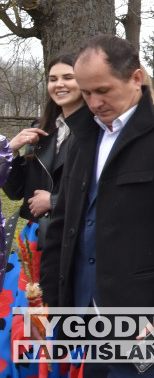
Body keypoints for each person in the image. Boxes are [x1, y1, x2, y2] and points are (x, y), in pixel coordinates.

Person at [40, 35, 154, 378]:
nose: (93, 102)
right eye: (86, 92)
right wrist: (52, 299)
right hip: (85, 313)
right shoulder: (82, 139)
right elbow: (63, 224)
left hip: (144, 316)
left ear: (136, 78)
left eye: (103, 90)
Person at [1, 54, 79, 373]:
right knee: (22, 326)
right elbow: (15, 192)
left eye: (68, 77)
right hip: (29, 241)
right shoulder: (41, 129)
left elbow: (105, 194)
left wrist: (55, 200)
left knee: (59, 325)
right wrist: (15, 149)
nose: (59, 84)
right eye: (53, 78)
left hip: (68, 239)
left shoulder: (96, 132)